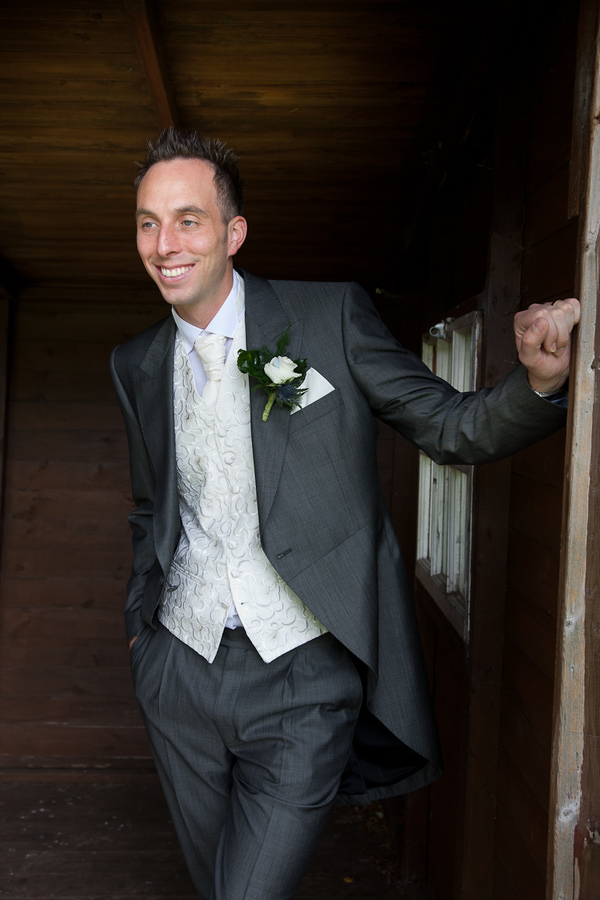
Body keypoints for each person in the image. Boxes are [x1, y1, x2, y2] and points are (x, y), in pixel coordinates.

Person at [110, 127, 579, 900]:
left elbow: (449, 427)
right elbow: (150, 508)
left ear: (233, 232)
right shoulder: (137, 362)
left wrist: (538, 382)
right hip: (179, 678)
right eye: (148, 223)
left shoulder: (326, 317)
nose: (166, 244)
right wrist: (142, 634)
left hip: (304, 677)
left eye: (188, 220)